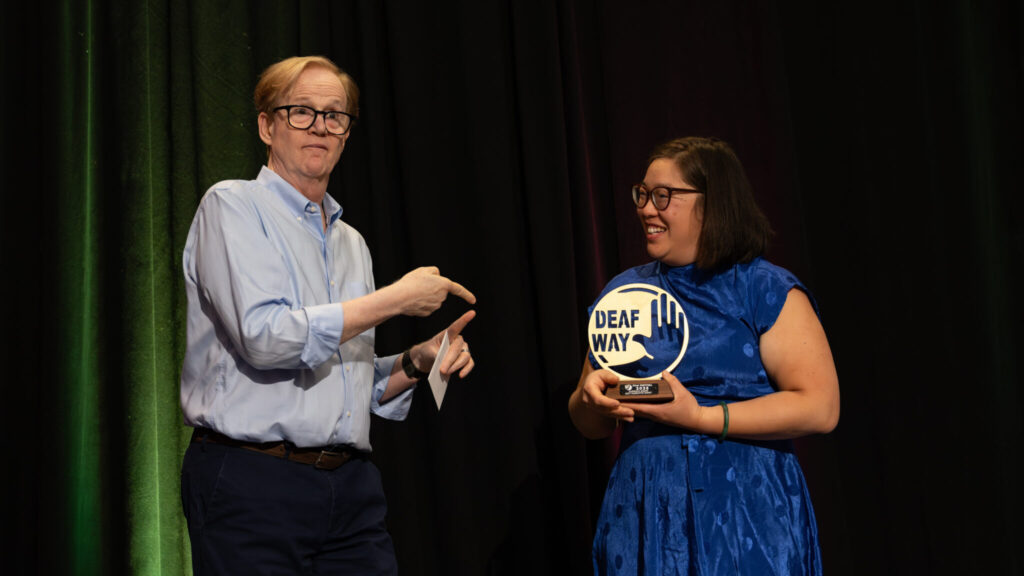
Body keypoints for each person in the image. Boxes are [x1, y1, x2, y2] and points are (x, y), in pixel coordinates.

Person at [179, 55, 476, 575]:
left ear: (346, 133)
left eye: (334, 115)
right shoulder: (232, 206)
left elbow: (345, 381)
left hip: (351, 489)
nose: (320, 125)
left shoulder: (351, 241)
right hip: (254, 481)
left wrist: (417, 361)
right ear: (266, 126)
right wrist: (398, 298)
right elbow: (265, 338)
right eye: (301, 111)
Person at [568, 137, 839, 575]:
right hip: (647, 508)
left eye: (663, 196)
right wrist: (591, 400)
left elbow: (820, 407)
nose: (646, 209)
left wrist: (702, 418)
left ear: (713, 203)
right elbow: (587, 422)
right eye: (643, 194)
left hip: (746, 509)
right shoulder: (625, 294)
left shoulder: (763, 289)